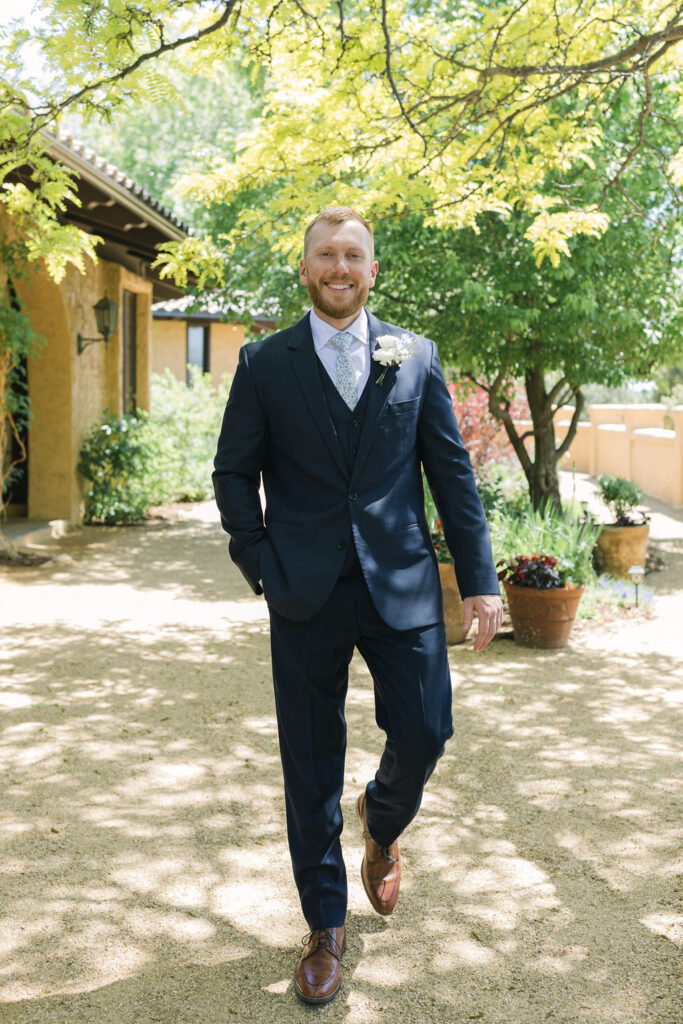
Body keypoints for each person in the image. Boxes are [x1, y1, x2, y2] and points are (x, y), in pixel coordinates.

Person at [213, 206, 503, 1005]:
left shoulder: (414, 356)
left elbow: (451, 476)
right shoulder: (264, 363)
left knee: (426, 726)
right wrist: (258, 557)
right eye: (325, 255)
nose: (339, 268)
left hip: (401, 583)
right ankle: (324, 928)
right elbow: (233, 472)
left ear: (372, 271)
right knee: (308, 761)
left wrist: (479, 580)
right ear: (304, 269)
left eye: (353, 256)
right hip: (302, 588)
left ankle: (380, 821)